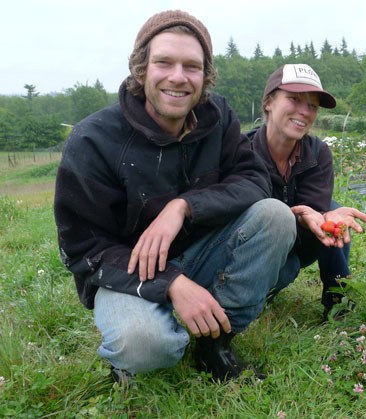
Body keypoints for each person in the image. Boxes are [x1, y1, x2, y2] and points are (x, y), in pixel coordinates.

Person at [53, 10, 296, 384]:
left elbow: (253, 179)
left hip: (199, 251)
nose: (178, 77)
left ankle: (215, 344)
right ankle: (132, 354)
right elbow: (83, 249)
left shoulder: (219, 118)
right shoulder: (93, 141)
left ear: (205, 75)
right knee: (146, 347)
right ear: (140, 69)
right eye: (164, 63)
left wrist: (183, 207)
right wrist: (171, 283)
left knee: (276, 215)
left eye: (192, 67)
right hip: (127, 272)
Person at [247, 64, 366, 320]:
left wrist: (324, 218)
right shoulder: (243, 152)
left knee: (331, 214)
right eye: (294, 99)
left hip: (298, 240)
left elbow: (314, 207)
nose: (304, 112)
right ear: (269, 102)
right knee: (272, 282)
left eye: (312, 105)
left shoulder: (317, 152)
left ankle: (337, 300)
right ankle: (254, 291)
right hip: (254, 252)